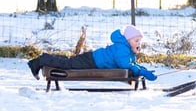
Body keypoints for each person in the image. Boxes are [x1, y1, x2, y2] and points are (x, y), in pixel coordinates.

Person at [27, 24, 157, 81]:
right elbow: (124, 64)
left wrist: (142, 69)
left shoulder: (126, 48)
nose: (138, 44)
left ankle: (45, 58)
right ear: (128, 40)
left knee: (69, 62)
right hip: (92, 60)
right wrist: (141, 71)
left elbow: (131, 63)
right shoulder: (122, 49)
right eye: (136, 40)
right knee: (68, 64)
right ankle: (39, 61)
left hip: (93, 59)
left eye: (139, 41)